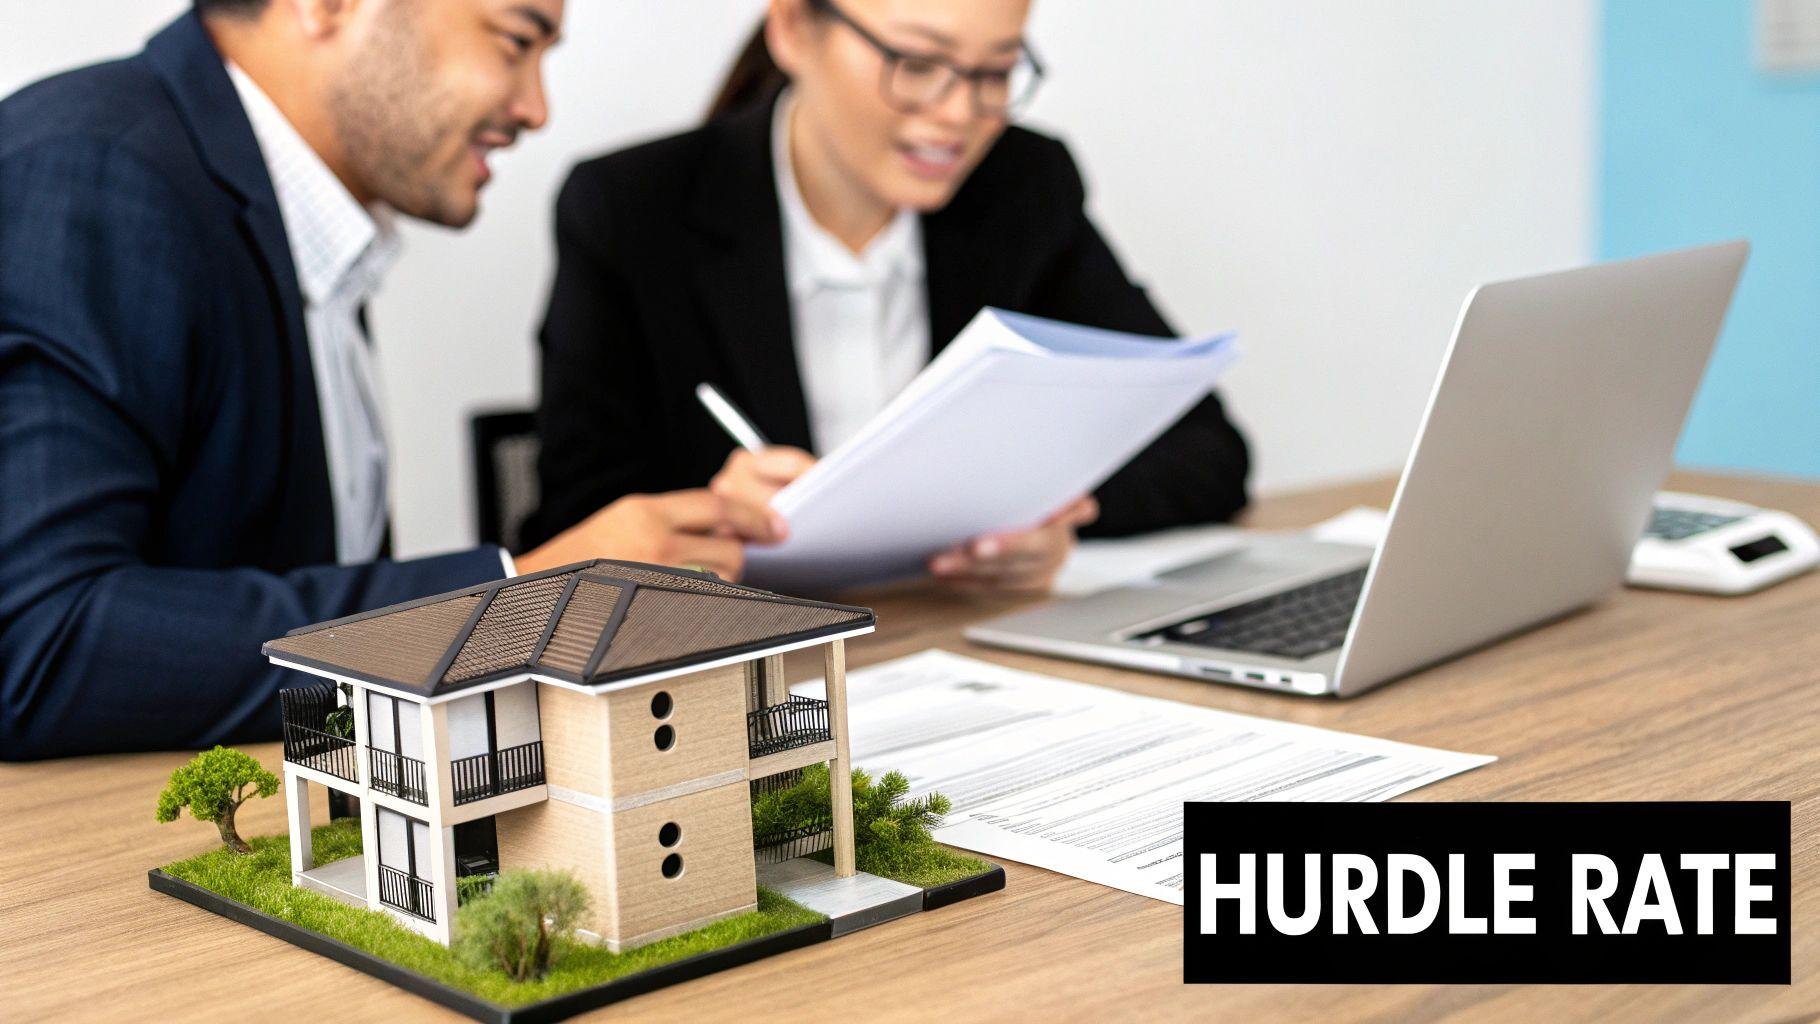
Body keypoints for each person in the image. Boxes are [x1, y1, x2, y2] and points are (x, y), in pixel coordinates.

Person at [0, 0, 781, 760]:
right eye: (516, 40)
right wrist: (516, 604)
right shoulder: (91, 170)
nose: (536, 108)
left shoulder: (301, 227)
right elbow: (42, 639)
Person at [528, 0, 1250, 593]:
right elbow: (573, 536)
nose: (959, 113)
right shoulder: (631, 211)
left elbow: (1209, 451)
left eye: (996, 71)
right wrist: (714, 521)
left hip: (954, 641)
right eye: (919, 63)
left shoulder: (1024, 186)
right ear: (792, 29)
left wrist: (1051, 517)